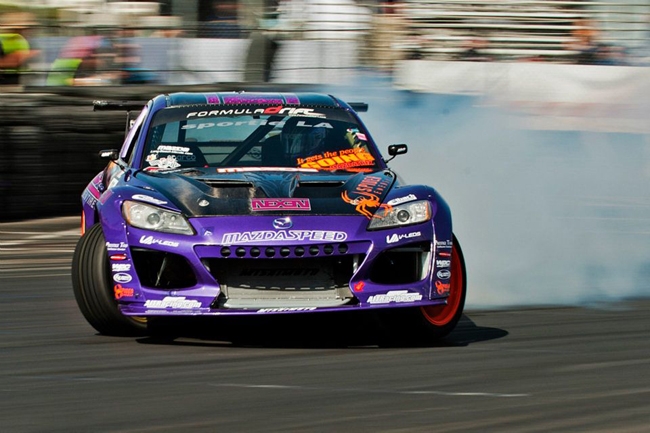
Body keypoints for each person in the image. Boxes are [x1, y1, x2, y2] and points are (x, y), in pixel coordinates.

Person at [0, 12, 40, 86]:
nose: (28, 31)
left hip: (22, 81)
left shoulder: (27, 42)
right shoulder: (5, 39)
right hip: (7, 81)